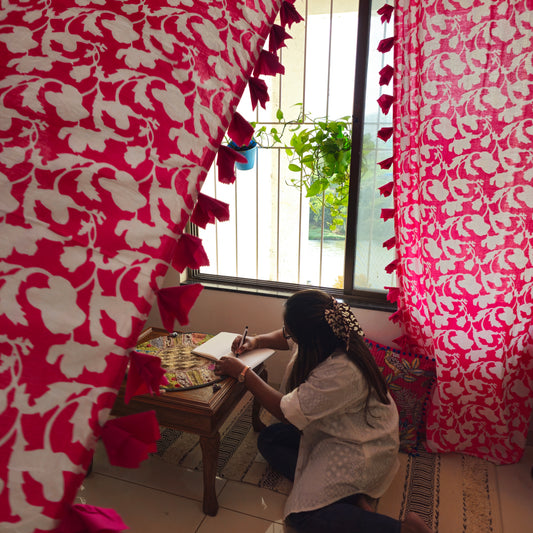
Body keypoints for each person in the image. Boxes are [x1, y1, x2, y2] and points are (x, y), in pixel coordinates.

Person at [214, 289, 433, 533]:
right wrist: (255, 341)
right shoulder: (327, 335)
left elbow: (284, 411)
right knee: (269, 439)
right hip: (336, 430)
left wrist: (243, 373)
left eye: (292, 330)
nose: (288, 334)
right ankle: (349, 498)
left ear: (306, 336)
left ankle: (404, 529)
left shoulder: (341, 371)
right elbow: (284, 337)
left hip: (363, 447)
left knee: (302, 517)